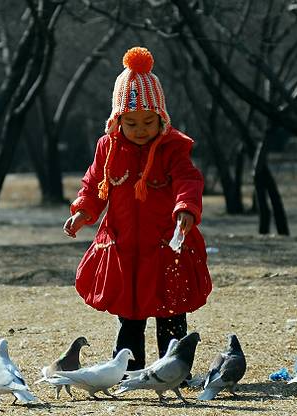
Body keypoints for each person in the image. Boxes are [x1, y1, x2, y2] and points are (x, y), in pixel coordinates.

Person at [63, 46, 212, 371]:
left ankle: (172, 368)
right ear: (118, 120)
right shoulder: (109, 148)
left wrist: (185, 208)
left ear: (162, 117)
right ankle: (130, 370)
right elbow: (94, 185)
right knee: (129, 314)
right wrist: (83, 212)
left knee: (170, 310)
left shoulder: (172, 148)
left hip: (165, 245)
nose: (141, 129)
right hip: (124, 246)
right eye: (131, 122)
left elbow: (188, 179)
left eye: (149, 121)